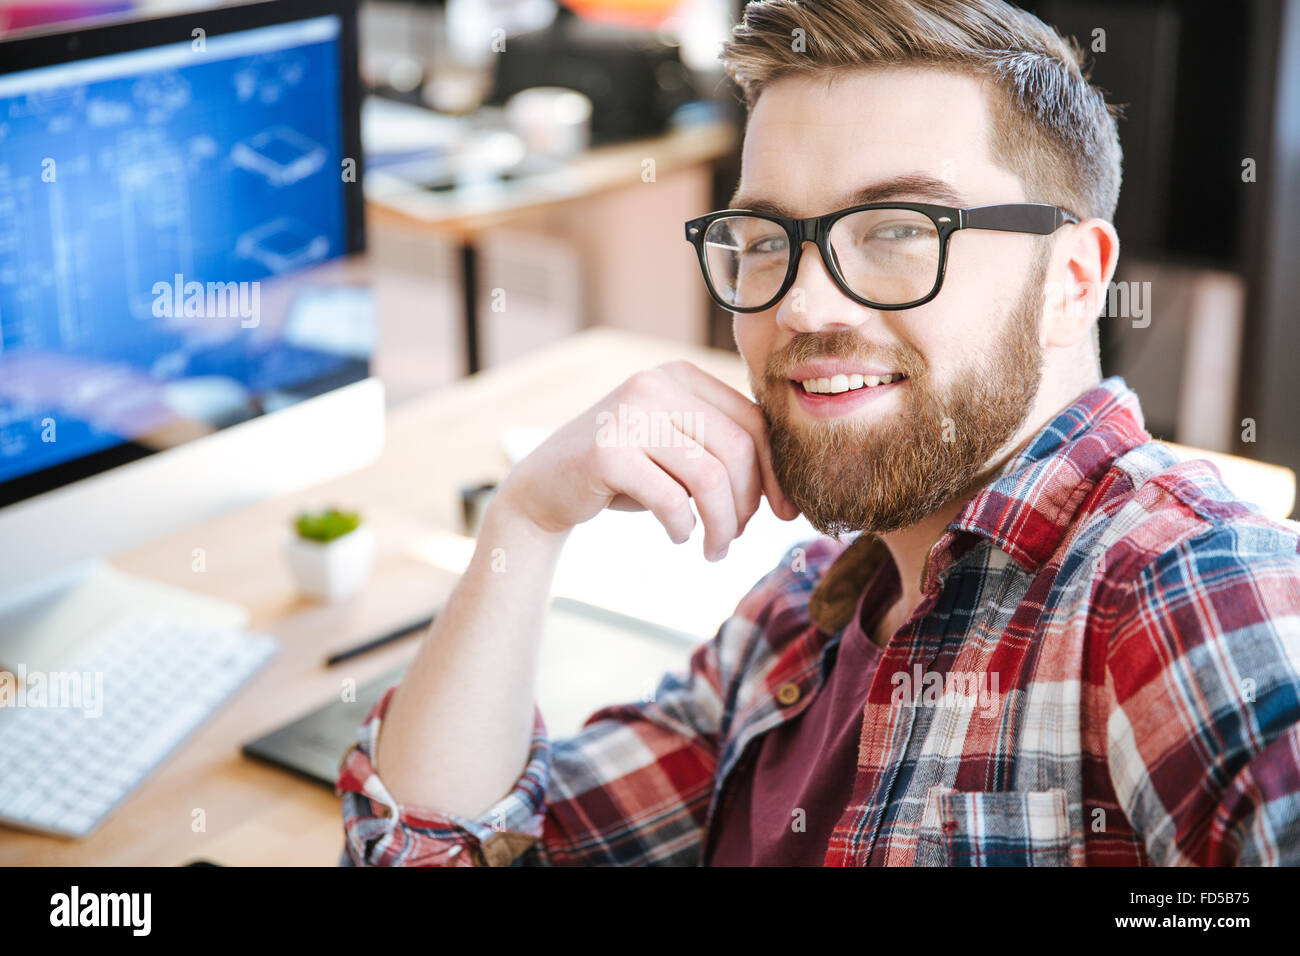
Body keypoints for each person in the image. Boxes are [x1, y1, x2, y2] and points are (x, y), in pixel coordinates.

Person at [338, 0, 1300, 866]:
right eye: (765, 241)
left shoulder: (1185, 592)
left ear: (1074, 280)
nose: (800, 303)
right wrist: (525, 522)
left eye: (895, 230)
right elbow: (446, 855)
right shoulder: (802, 616)